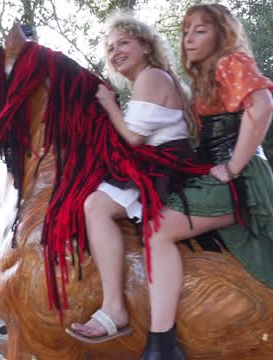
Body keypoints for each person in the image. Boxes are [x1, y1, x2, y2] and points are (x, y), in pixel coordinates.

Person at [137, 4, 273, 359]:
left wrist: (233, 167)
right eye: (186, 31)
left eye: (200, 30)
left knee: (157, 230)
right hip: (216, 172)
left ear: (221, 34)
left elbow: (262, 106)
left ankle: (161, 344)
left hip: (239, 178)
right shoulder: (206, 75)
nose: (188, 38)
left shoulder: (229, 62)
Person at [66, 13, 197, 344]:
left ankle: (114, 308)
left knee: (95, 204)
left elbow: (134, 138)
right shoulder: (151, 80)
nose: (115, 51)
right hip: (159, 163)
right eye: (110, 47)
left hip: (166, 167)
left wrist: (110, 104)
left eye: (124, 42)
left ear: (146, 46)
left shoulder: (152, 77)